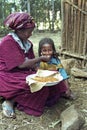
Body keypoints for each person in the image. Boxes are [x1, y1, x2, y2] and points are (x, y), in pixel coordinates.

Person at [0, 12, 74, 118]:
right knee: (31, 84)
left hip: (23, 72)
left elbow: (31, 63)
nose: (31, 34)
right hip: (7, 75)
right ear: (21, 30)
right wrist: (40, 59)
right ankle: (11, 100)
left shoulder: (27, 43)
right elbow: (21, 65)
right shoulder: (7, 42)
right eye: (29, 31)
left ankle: (57, 92)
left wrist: (42, 71)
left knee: (51, 78)